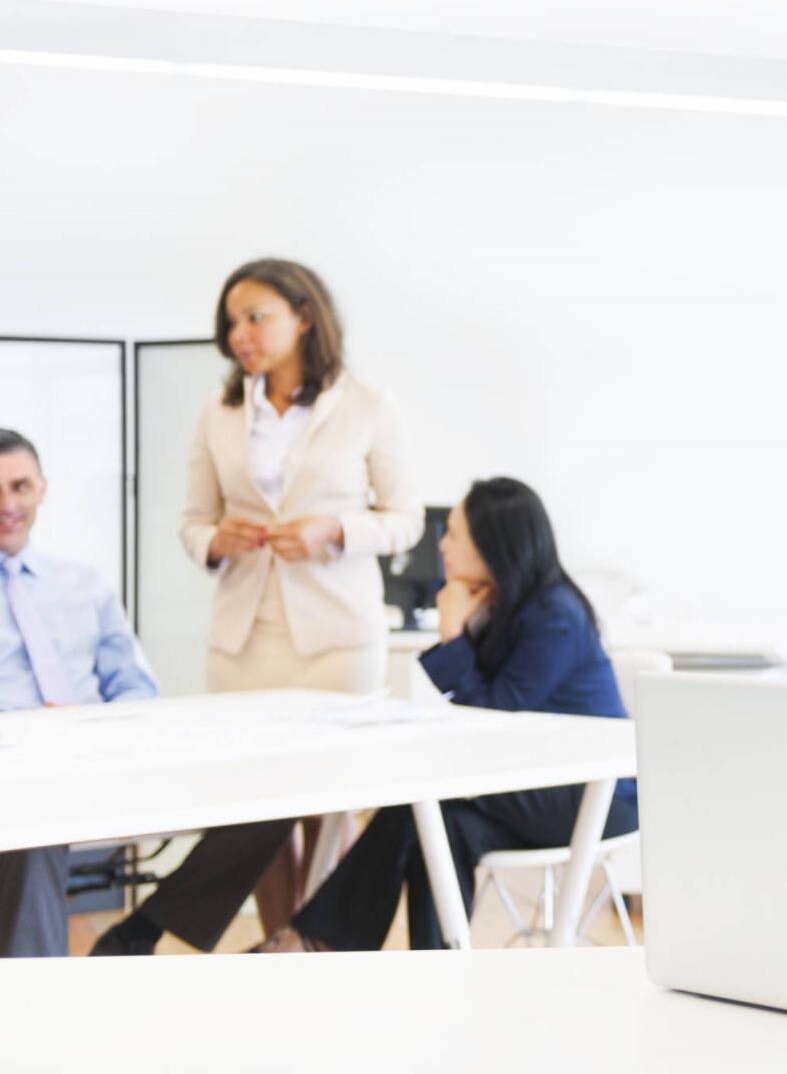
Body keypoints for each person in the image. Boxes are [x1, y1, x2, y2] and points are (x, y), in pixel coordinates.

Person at [100, 259, 424, 949]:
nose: (238, 334)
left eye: (255, 317)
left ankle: (318, 939)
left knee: (326, 803)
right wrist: (218, 540)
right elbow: (192, 521)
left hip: (338, 635)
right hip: (245, 636)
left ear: (304, 316)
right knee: (262, 800)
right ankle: (279, 938)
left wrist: (334, 530)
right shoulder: (219, 412)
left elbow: (405, 518)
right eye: (230, 322)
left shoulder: (366, 403)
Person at [253, 477, 637, 951]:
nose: (441, 546)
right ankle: (434, 966)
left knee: (419, 797)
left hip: (591, 794)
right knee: (439, 824)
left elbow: (493, 716)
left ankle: (315, 940)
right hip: (530, 783)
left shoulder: (554, 614)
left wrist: (454, 633)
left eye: (454, 534)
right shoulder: (499, 600)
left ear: (493, 543)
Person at [0, 429, 157, 956]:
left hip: (100, 757)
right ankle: (36, 1000)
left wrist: (105, 731)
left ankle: (142, 931)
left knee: (255, 810)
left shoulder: (83, 583)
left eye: (20, 486)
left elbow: (135, 686)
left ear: (42, 488)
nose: (8, 505)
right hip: (17, 774)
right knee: (32, 815)